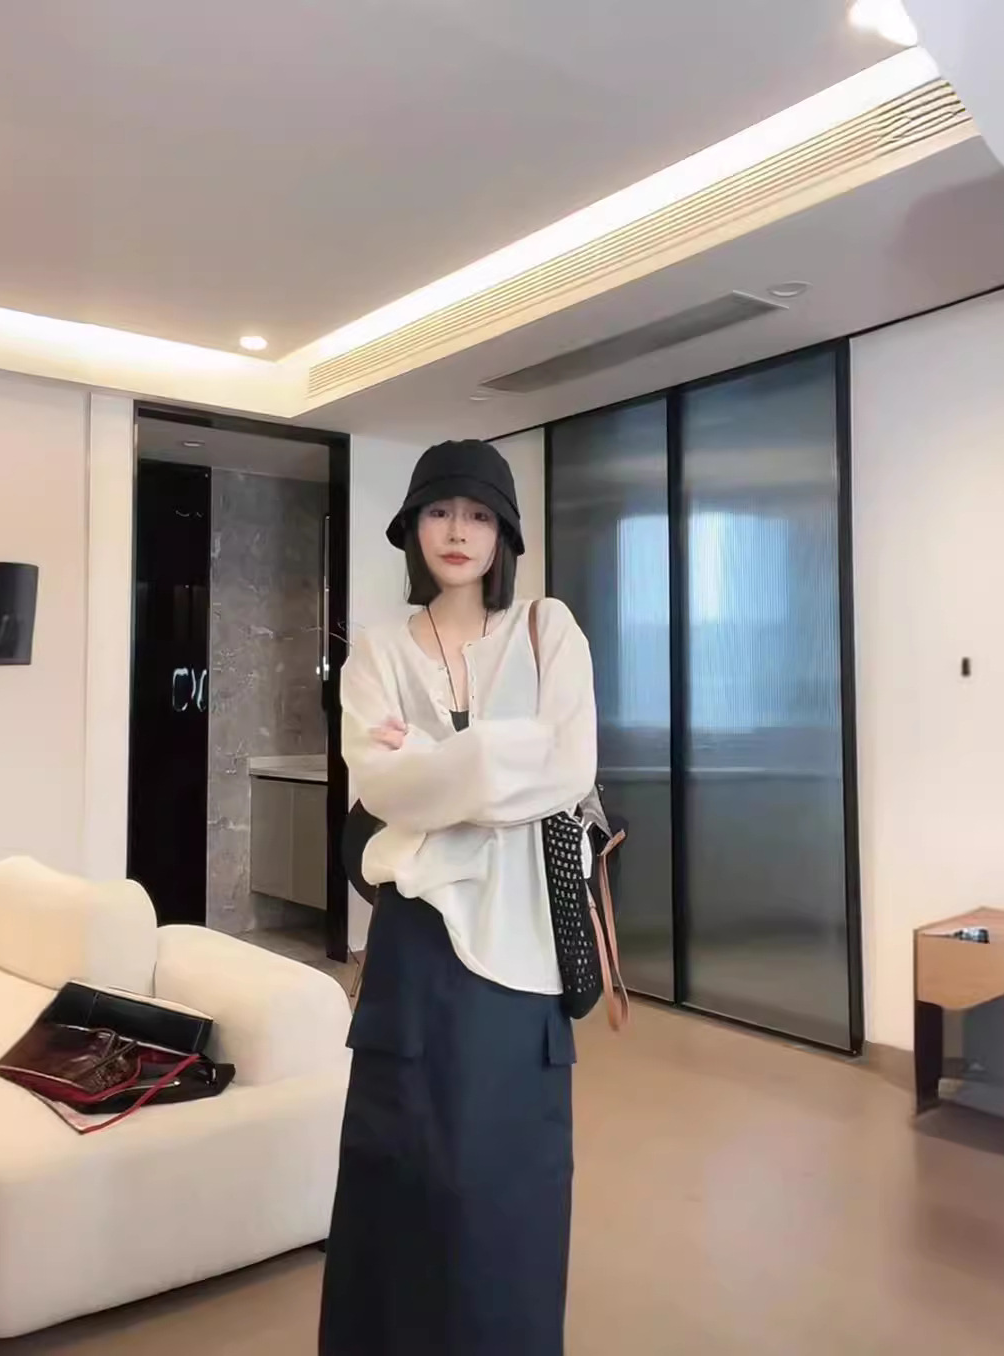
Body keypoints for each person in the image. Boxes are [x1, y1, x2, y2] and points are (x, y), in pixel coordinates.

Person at [319, 439, 598, 1356]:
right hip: (415, 944)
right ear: (413, 527)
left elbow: (568, 769)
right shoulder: (377, 650)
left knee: (506, 1187)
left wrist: (435, 767)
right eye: (440, 511)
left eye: (479, 515)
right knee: (398, 1172)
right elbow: (376, 786)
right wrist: (489, 765)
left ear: (504, 534)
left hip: (522, 948)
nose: (458, 531)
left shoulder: (548, 630)